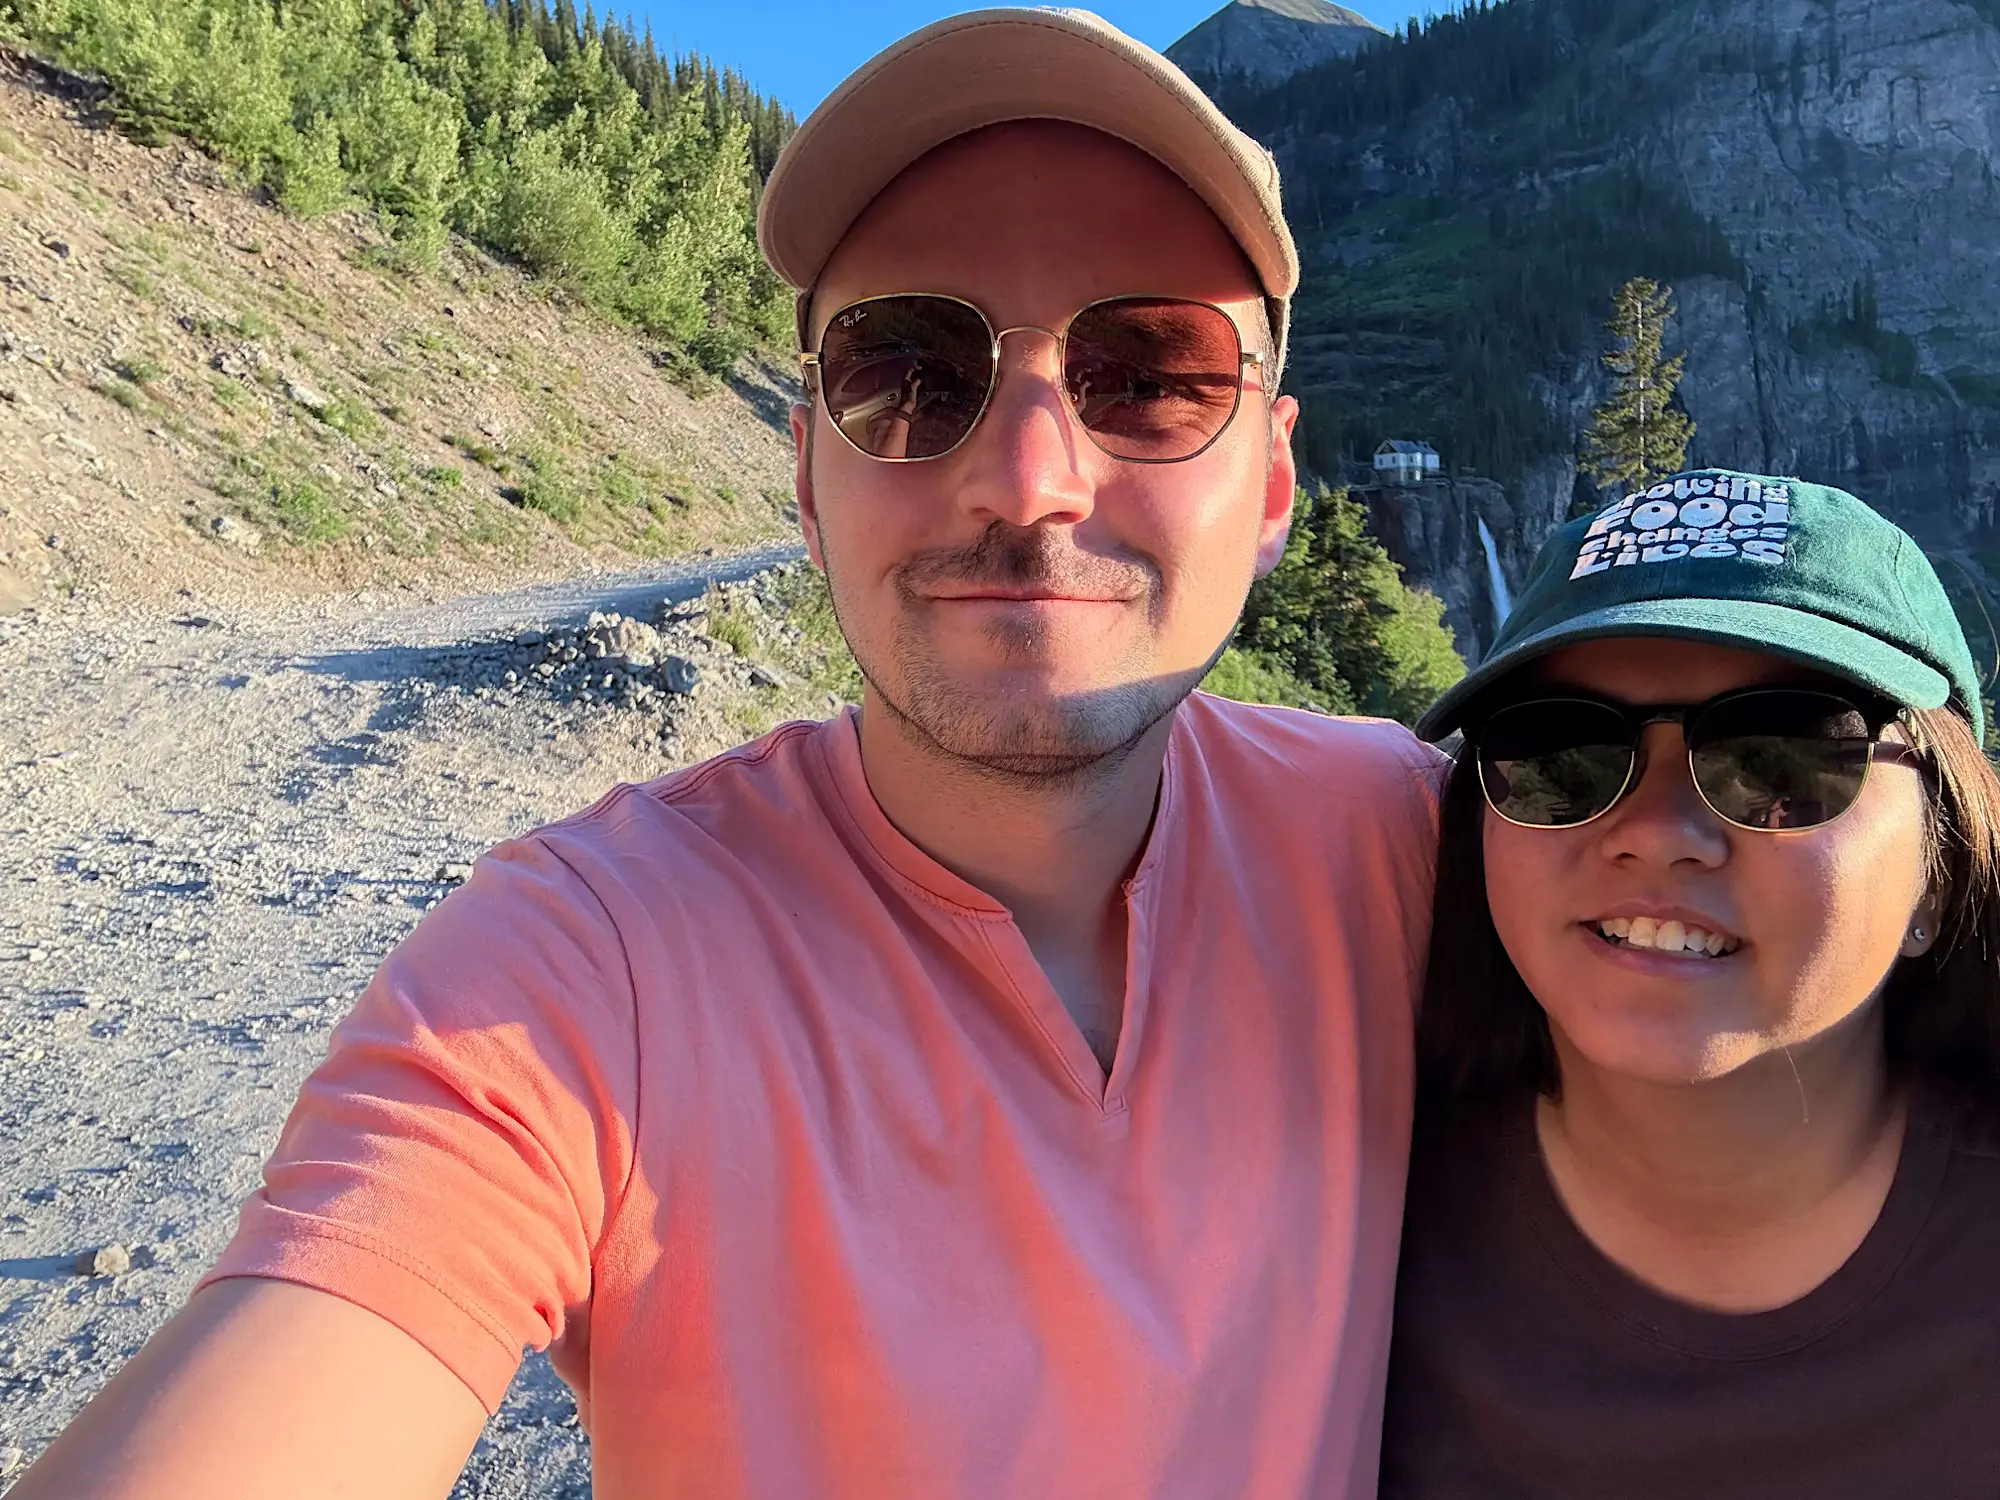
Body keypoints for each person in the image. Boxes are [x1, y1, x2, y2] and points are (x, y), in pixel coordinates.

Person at [14, 12, 1443, 1499]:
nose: (1028, 483)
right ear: (809, 481)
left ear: (1270, 483)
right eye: (908, 371)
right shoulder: (587, 971)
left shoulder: (1410, 842)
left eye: (1149, 375)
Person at [1380, 469, 2000, 1498]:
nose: (1658, 835)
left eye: (1782, 761)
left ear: (1937, 868)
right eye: (1563, 754)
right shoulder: (1347, 1229)